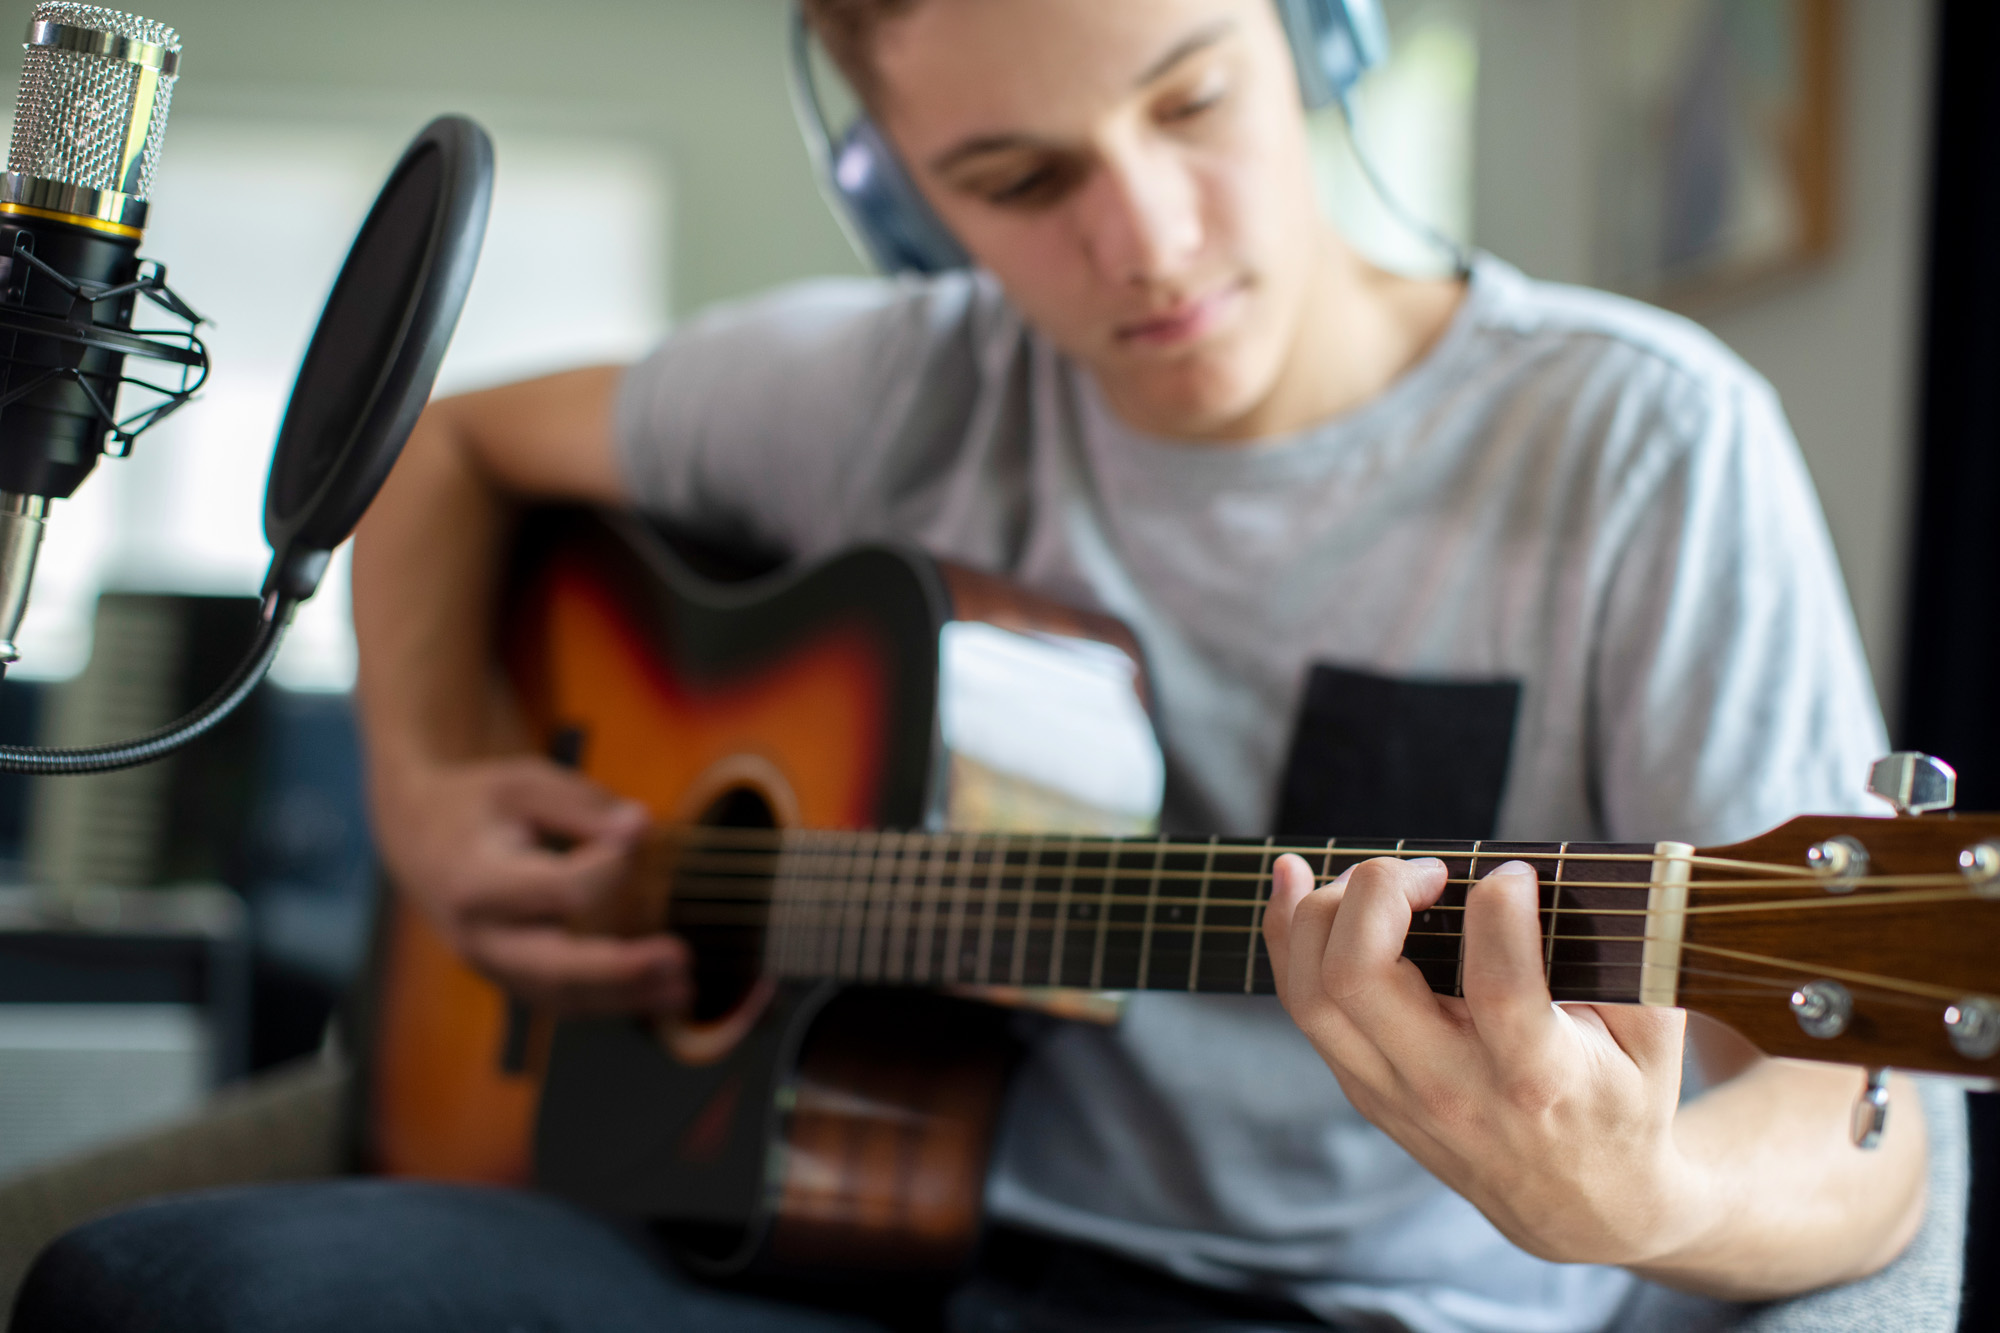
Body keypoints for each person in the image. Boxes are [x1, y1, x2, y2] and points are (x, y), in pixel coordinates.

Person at [12, 1, 1956, 1331]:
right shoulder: (903, 385)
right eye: (1018, 182)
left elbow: (1857, 1125)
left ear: (1320, 35)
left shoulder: (1638, 441)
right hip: (813, 1244)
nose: (1147, 240)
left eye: (1192, 99)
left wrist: (1643, 1212)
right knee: (149, 1289)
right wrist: (430, 793)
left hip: (1321, 1307)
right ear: (900, 198)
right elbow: (442, 442)